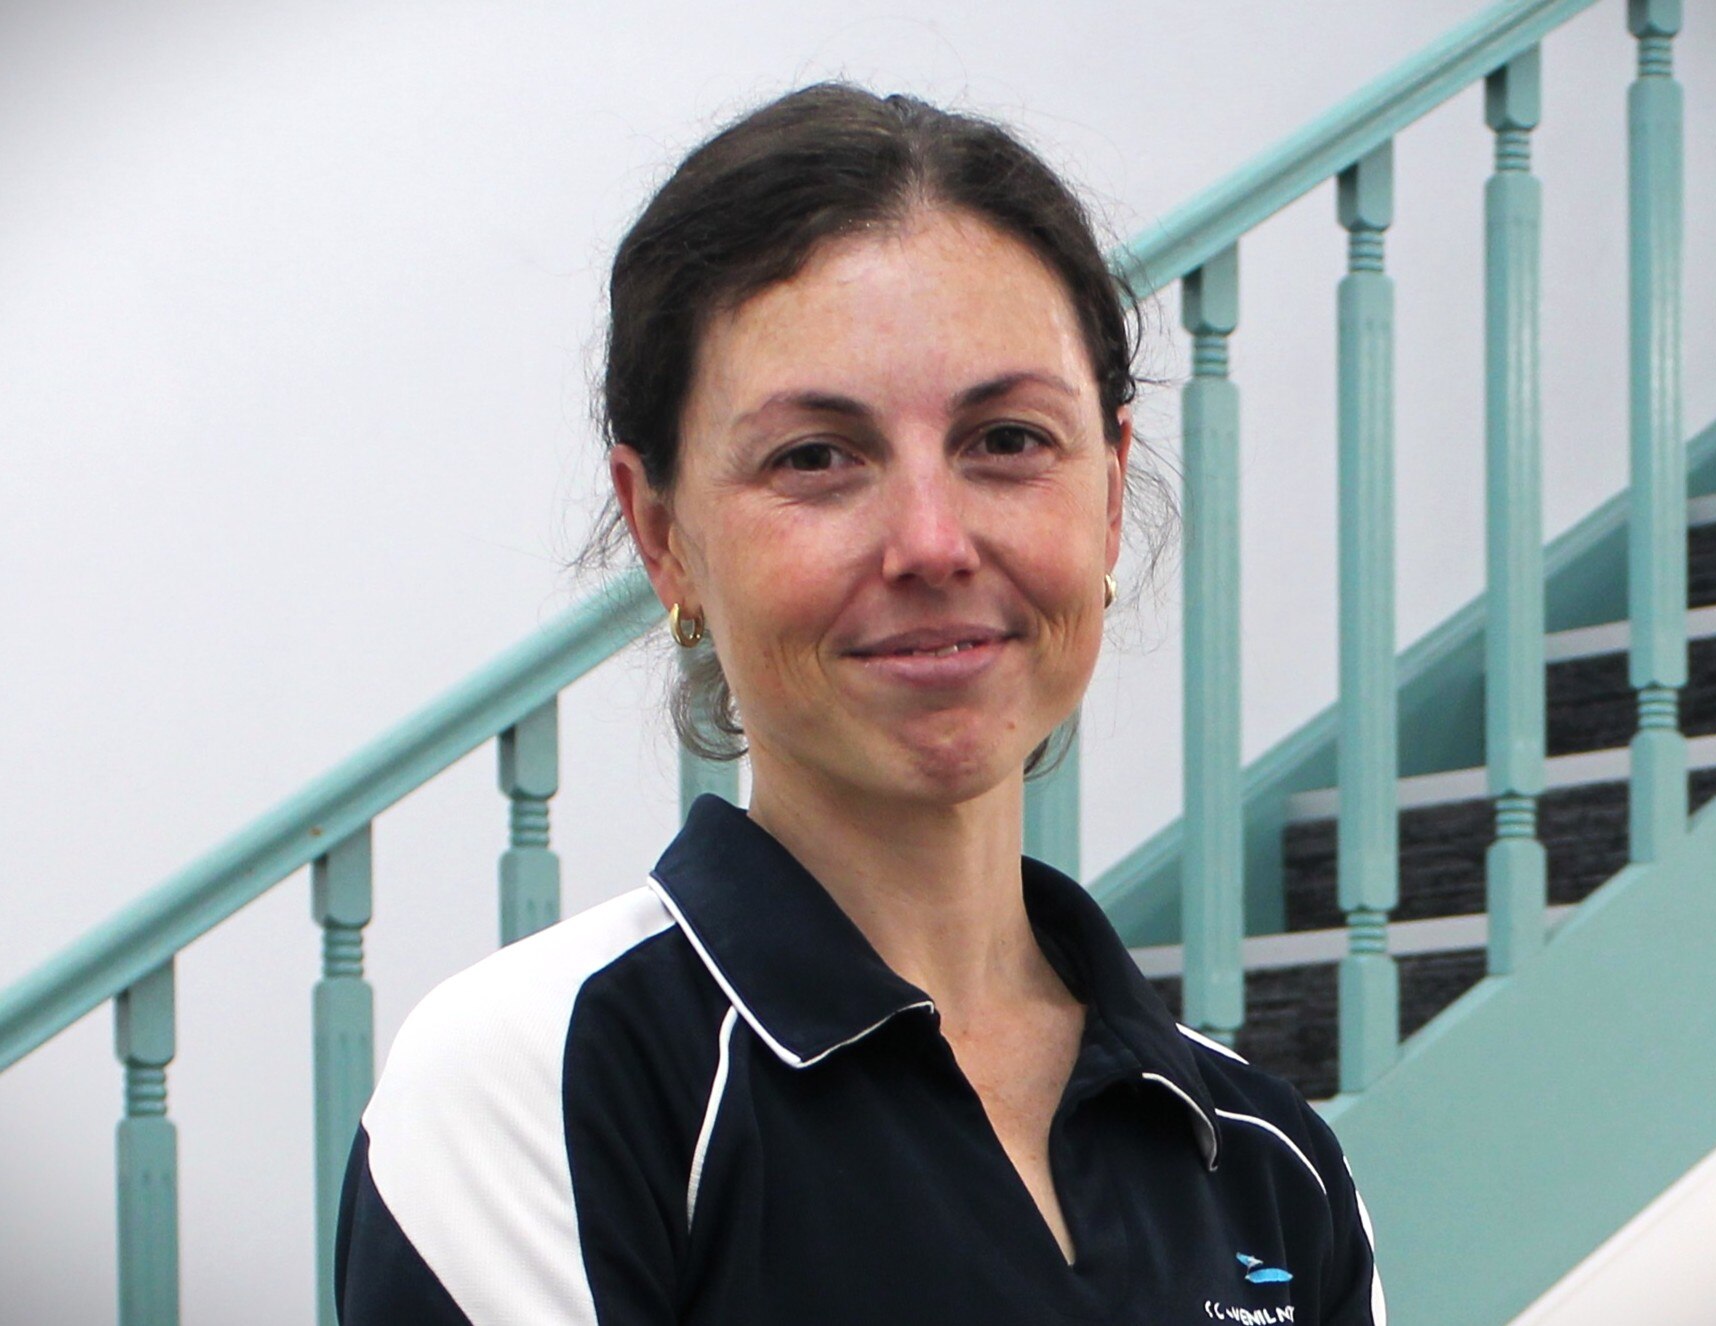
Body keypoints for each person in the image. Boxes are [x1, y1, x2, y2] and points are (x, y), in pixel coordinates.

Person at [333, 83, 1385, 1325]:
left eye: (1006, 439)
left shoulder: (1270, 1161)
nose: (932, 544)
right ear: (664, 534)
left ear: (1108, 497)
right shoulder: (542, 1081)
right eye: (816, 458)